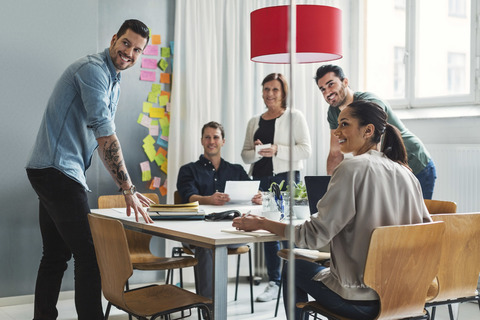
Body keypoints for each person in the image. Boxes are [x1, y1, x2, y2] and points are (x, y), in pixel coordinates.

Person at [233, 100, 432, 320]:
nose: (337, 132)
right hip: (404, 297)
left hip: (360, 300)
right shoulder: (407, 174)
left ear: (368, 130)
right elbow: (427, 232)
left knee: (293, 268)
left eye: (344, 124)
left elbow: (313, 237)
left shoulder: (350, 168)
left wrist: (262, 223)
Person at [25, 19, 154, 320]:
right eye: (126, 43)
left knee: (56, 255)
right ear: (114, 39)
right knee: (91, 255)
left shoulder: (114, 81)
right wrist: (128, 189)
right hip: (58, 171)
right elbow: (106, 135)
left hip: (51, 170)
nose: (129, 53)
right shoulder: (93, 71)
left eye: (137, 50)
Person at [315, 64, 436, 199]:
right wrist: (330, 188)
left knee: (416, 218)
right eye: (322, 89)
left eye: (331, 84)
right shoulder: (333, 112)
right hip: (391, 169)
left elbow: (375, 147)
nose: (327, 92)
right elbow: (335, 153)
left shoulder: (369, 102)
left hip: (414, 162)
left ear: (345, 82)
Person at [241, 73, 312, 302]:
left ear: (283, 93)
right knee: (268, 229)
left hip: (289, 179)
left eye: (275, 90)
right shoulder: (255, 121)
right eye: (266, 89)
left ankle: (295, 280)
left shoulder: (294, 117)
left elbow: (306, 150)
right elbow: (245, 156)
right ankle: (274, 281)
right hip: (263, 181)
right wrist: (258, 151)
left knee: (291, 230)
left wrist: (277, 149)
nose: (270, 94)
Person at [176, 121, 261, 299]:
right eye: (207, 137)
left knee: (218, 243)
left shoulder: (236, 170)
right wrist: (208, 199)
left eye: (216, 137)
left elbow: (253, 191)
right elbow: (188, 197)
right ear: (201, 141)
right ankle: (209, 309)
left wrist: (258, 196)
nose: (211, 141)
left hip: (231, 231)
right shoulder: (188, 170)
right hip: (196, 233)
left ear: (223, 141)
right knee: (207, 245)